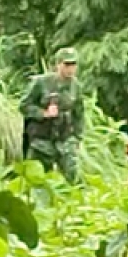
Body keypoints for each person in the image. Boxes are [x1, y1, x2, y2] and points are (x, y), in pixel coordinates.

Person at [19, 47, 85, 182]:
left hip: (65, 139)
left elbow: (79, 113)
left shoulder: (76, 86)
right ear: (58, 64)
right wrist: (43, 113)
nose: (70, 69)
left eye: (73, 64)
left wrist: (78, 137)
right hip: (42, 140)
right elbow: (24, 106)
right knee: (38, 179)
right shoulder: (41, 82)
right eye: (67, 64)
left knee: (73, 177)